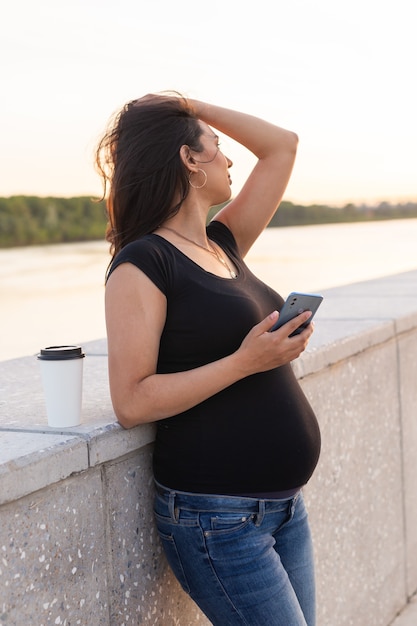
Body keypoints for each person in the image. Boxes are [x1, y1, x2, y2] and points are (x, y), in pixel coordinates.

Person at [96, 92, 321, 626]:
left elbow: (282, 148)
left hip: (283, 509)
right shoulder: (143, 263)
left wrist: (189, 104)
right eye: (216, 147)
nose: (229, 158)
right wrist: (247, 361)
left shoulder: (224, 244)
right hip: (216, 519)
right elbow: (131, 400)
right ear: (189, 159)